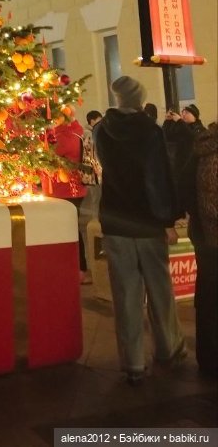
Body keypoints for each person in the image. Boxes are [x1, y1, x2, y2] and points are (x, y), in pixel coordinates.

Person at [94, 76, 185, 384]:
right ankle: (168, 347)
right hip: (146, 221)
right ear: (139, 98)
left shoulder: (101, 130)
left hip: (115, 219)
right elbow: (158, 177)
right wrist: (168, 220)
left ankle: (132, 362)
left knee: (125, 293)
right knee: (159, 289)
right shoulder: (150, 131)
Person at [179, 119, 217, 379]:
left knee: (207, 295)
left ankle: (208, 359)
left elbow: (183, 188)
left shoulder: (200, 146)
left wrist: (197, 215)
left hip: (204, 235)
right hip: (208, 235)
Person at [42, 116, 88, 282]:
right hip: (74, 189)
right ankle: (78, 268)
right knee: (72, 228)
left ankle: (79, 268)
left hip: (65, 190)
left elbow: (48, 155)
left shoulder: (63, 136)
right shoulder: (76, 132)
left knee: (69, 229)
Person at [79, 110, 103, 276]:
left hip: (94, 172)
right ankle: (97, 221)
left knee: (97, 198)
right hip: (94, 173)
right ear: (92, 120)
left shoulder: (88, 133)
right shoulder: (89, 134)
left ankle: (97, 219)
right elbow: (91, 154)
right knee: (96, 199)